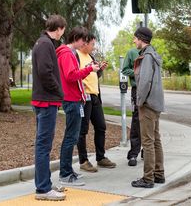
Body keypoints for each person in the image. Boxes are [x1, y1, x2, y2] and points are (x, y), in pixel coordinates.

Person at [56, 27, 99, 186]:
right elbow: (71, 76)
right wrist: (89, 69)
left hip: (73, 99)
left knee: (72, 136)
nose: (84, 43)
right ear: (76, 38)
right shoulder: (67, 54)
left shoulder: (66, 53)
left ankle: (67, 170)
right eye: (83, 40)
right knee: (70, 137)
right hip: (72, 100)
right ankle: (65, 174)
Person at [31, 14, 66, 201]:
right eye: (62, 30)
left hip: (44, 101)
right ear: (59, 28)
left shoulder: (41, 43)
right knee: (43, 146)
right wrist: (59, 92)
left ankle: (44, 183)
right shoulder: (45, 44)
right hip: (46, 102)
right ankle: (43, 189)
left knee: (42, 145)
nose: (62, 34)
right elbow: (46, 72)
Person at [131, 27, 165, 188]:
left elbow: (144, 83)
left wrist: (139, 102)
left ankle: (148, 178)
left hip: (148, 104)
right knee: (156, 140)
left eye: (135, 38)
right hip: (156, 103)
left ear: (141, 38)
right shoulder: (154, 54)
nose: (134, 41)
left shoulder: (147, 57)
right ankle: (159, 174)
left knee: (148, 142)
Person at [77, 33, 117, 172]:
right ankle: (83, 160)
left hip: (95, 97)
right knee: (82, 130)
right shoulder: (75, 55)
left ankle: (101, 157)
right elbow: (75, 76)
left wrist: (100, 70)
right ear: (84, 43)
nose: (94, 47)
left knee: (101, 127)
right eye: (92, 44)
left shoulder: (91, 57)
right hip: (84, 98)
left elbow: (93, 75)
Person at [122, 47, 142, 166]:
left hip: (150, 89)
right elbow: (125, 70)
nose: (134, 41)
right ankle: (133, 154)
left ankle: (148, 151)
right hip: (137, 90)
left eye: (135, 38)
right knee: (137, 122)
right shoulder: (131, 52)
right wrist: (136, 72)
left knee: (151, 121)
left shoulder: (151, 52)